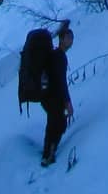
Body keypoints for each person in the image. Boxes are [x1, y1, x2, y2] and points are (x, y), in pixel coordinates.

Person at [40, 24, 75, 167]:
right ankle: (47, 155)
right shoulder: (59, 57)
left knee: (56, 123)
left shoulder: (55, 55)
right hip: (53, 96)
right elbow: (61, 81)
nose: (71, 41)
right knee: (57, 124)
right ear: (61, 39)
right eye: (68, 38)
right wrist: (67, 102)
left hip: (47, 96)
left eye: (72, 38)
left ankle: (49, 152)